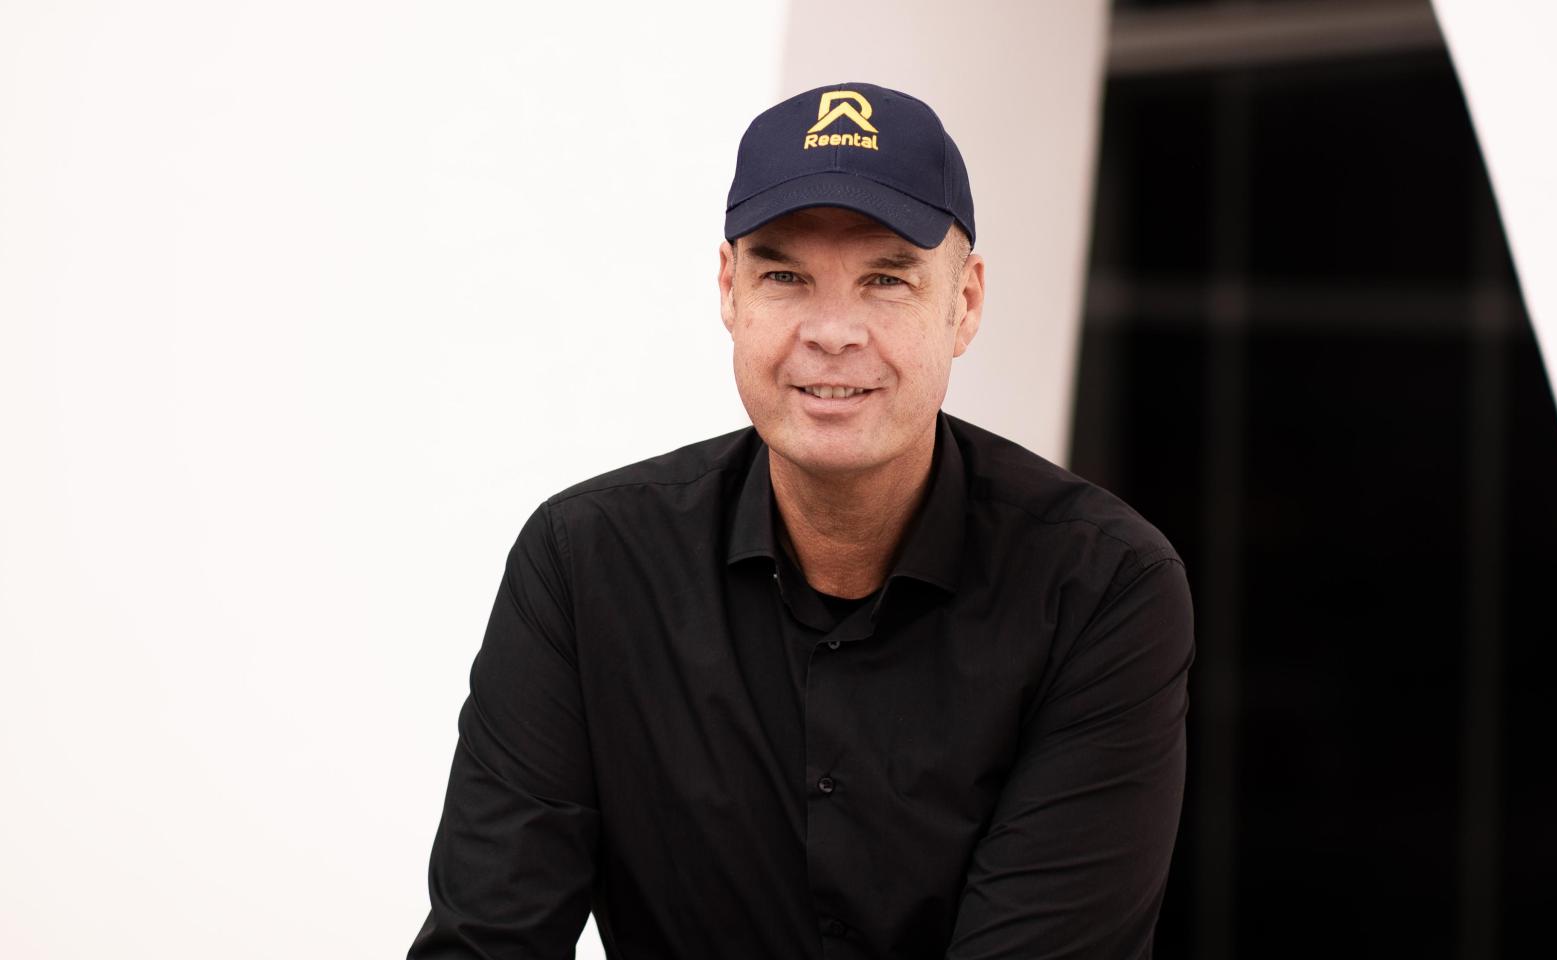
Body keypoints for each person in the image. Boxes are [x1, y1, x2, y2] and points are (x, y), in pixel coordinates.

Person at [407, 81, 1195, 960]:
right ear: (729, 290)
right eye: (784, 276)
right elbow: (485, 940)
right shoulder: (584, 562)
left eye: (886, 279)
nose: (832, 332)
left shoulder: (1100, 588)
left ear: (964, 304)